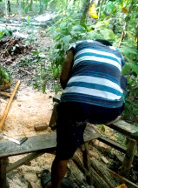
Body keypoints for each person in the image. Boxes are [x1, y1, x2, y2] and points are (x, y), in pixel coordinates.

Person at [46, 39, 127, 188]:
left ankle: (54, 186)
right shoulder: (117, 53)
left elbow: (64, 77)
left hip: (74, 105)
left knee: (63, 155)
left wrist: (74, 95)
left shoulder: (78, 45)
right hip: (109, 111)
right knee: (123, 81)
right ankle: (113, 116)